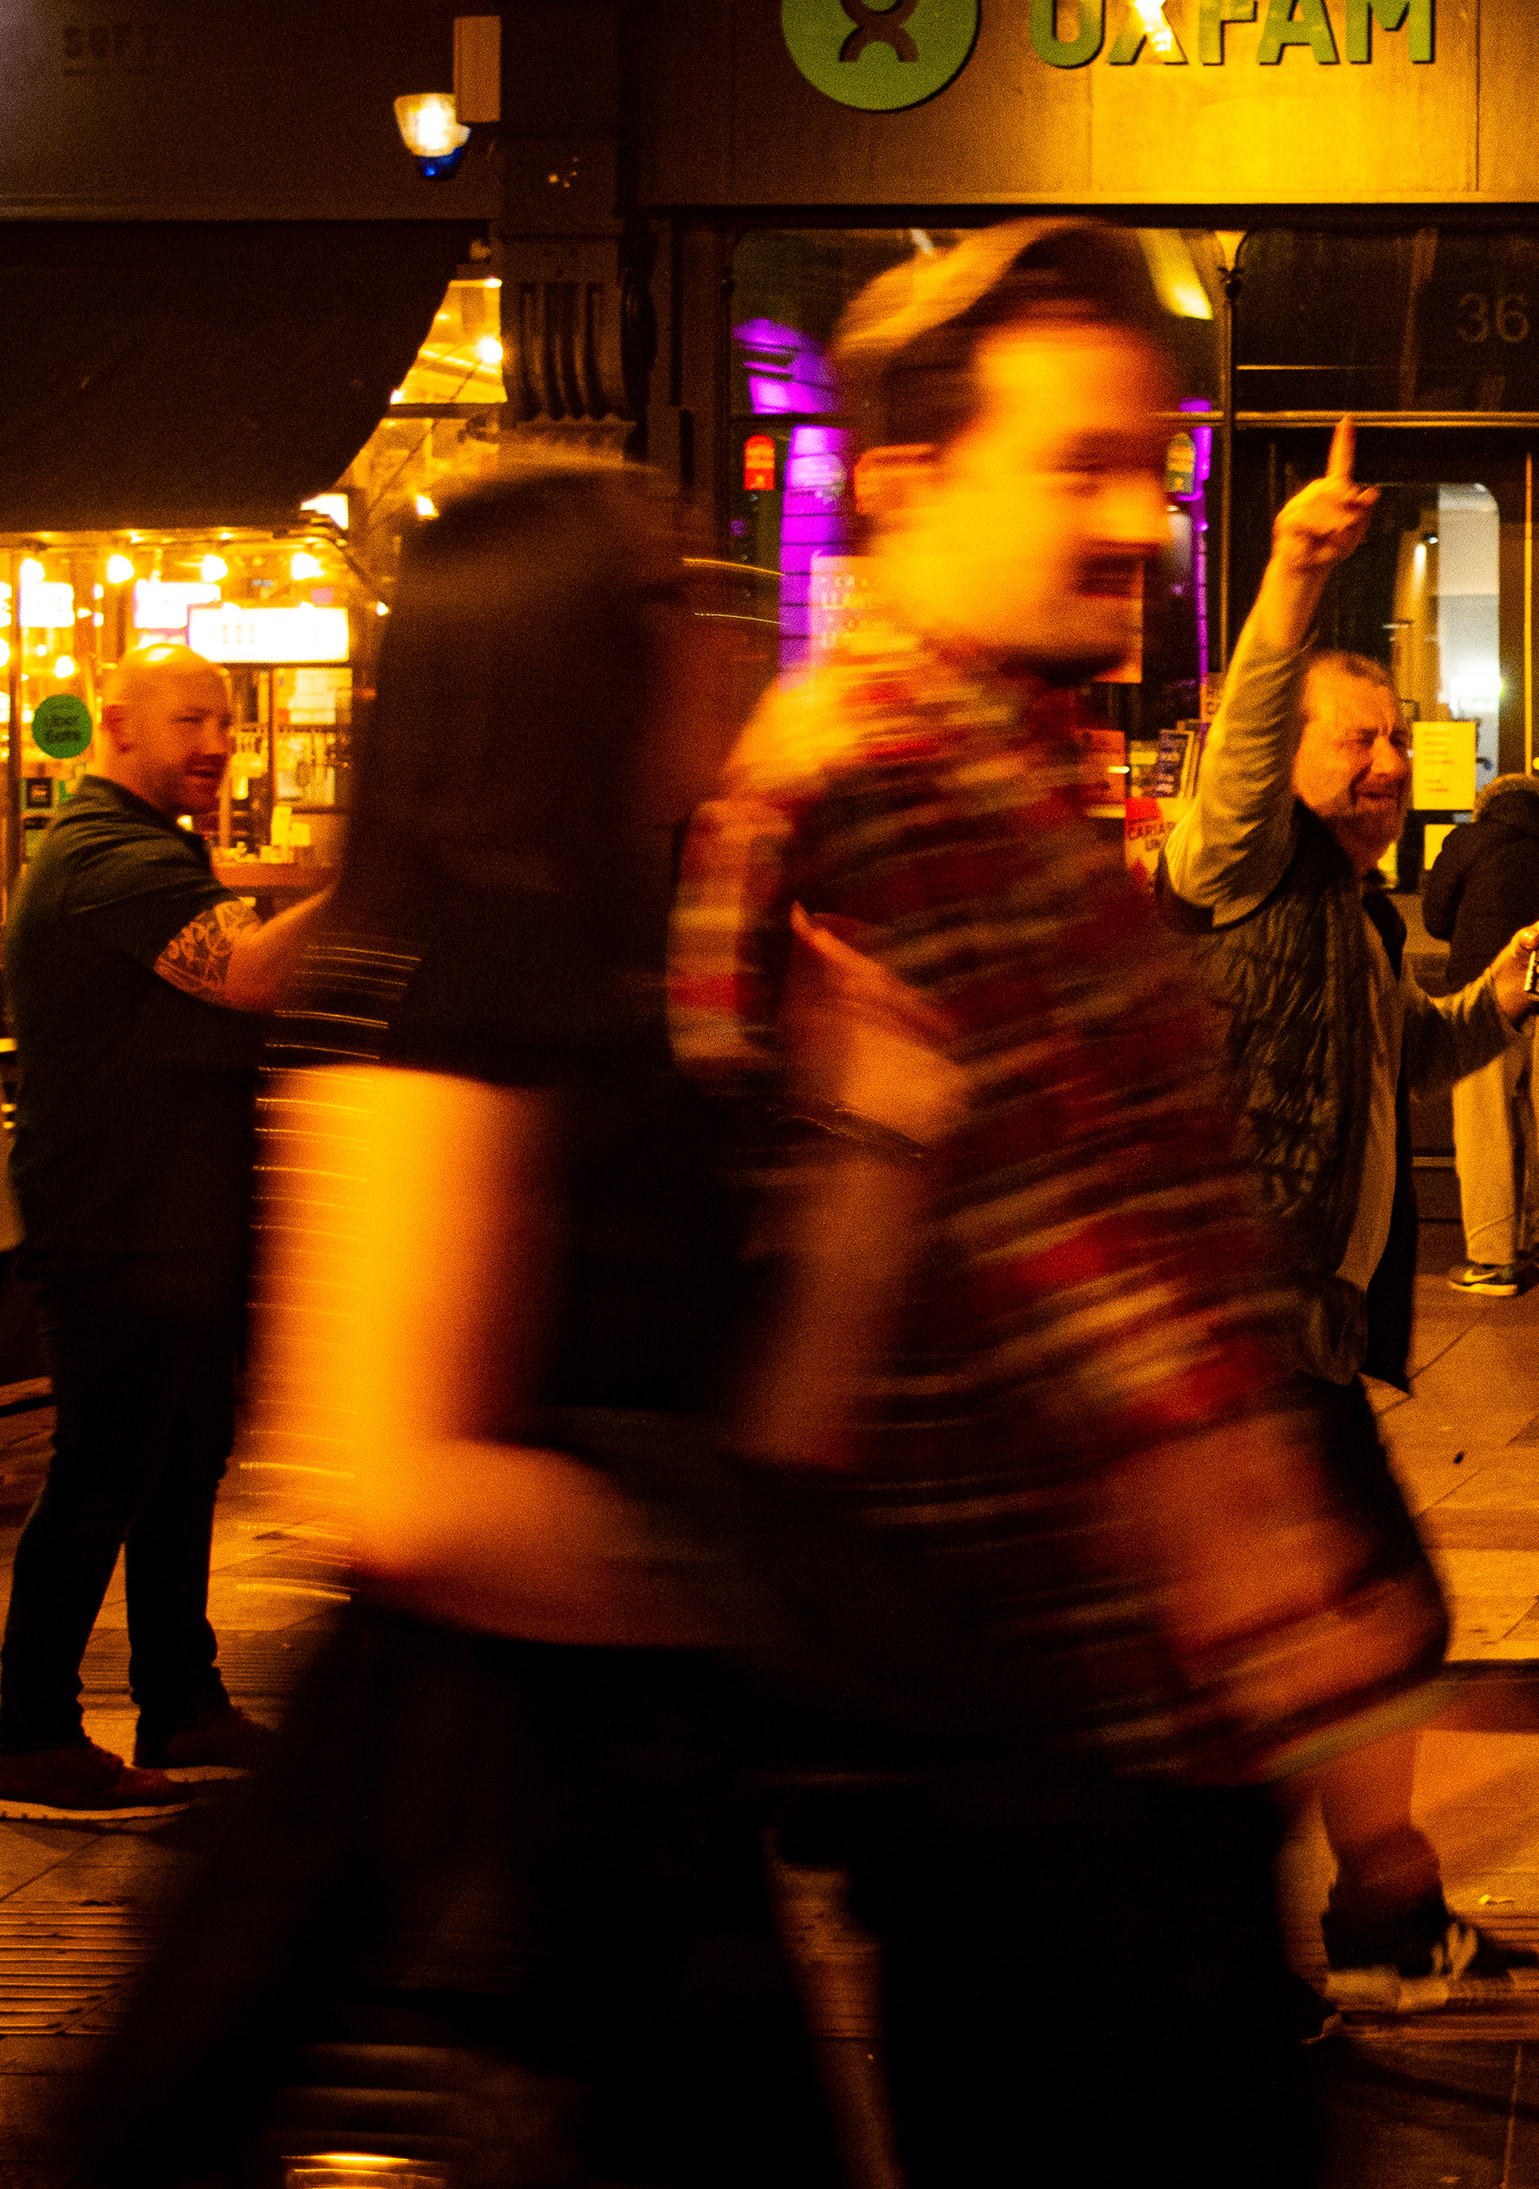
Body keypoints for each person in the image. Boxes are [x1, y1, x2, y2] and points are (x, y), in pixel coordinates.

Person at [671, 219, 1462, 2182]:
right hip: (1039, 1773)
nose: (1137, 513)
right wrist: (1291, 1596)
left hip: (1142, 1754)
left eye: (1152, 462)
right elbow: (1054, 1269)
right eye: (1078, 463)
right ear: (908, 481)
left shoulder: (1010, 773)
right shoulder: (869, 789)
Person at [71, 459, 880, 2189]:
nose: (725, 634)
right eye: (677, 598)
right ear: (568, 661)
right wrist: (761, 1572)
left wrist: (871, 1139)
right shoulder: (448, 978)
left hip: (626, 1815)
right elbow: (400, 1491)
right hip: (500, 1859)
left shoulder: (592, 962)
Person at [1151, 420, 1539, 2007]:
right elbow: (1237, 752)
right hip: (1238, 1328)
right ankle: (1288, 1931)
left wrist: (1513, 987)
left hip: (1311, 1336)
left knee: (1351, 1629)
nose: (1391, 767)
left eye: (1402, 742)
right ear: (1280, 764)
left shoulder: (1356, 912)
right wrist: (1288, 578)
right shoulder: (1239, 874)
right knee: (1349, 1629)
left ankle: (1363, 1913)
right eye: (1360, 743)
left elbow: (1414, 1052)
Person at [0, 653, 334, 1818]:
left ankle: (181, 1699)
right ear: (117, 728)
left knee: (179, 1462)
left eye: (227, 724)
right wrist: (375, 870)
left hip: (167, 1217)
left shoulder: (151, 852)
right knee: (103, 1468)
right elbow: (242, 972)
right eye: (191, 719)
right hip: (116, 1218)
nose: (215, 741)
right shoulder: (107, 856)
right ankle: (29, 1727)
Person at [1423, 772, 1539, 1294]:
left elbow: (1435, 917)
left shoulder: (1466, 842)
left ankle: (1493, 1260)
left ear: (1486, 806)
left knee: (1484, 1127)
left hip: (1483, 997)